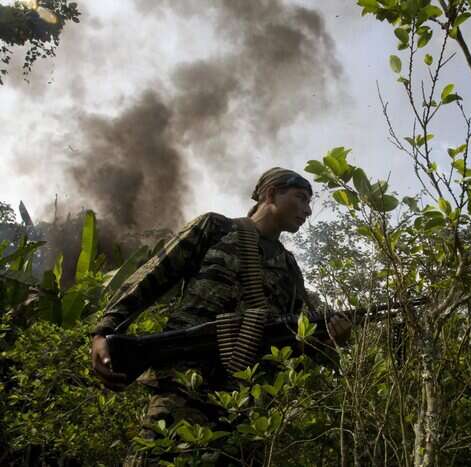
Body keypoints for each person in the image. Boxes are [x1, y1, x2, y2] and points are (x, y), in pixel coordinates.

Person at [90, 167, 352, 465]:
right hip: (184, 382)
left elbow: (291, 339)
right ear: (270, 194)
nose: (307, 210)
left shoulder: (290, 269)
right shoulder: (216, 228)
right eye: (301, 198)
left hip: (242, 403)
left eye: (310, 203)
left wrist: (331, 340)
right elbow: (153, 276)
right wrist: (103, 331)